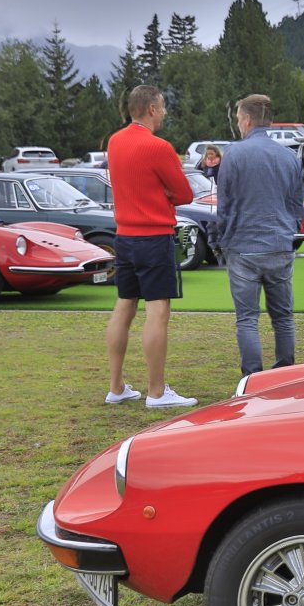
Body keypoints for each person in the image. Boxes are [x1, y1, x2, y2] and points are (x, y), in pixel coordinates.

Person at [104, 85, 198, 409]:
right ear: (152, 109)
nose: (165, 112)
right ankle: (156, 392)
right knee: (158, 312)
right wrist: (163, 195)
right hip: (154, 238)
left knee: (124, 306)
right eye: (163, 106)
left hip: (124, 237)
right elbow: (184, 193)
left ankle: (116, 387)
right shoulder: (158, 147)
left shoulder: (114, 142)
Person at [212, 94, 304, 379]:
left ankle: (252, 377)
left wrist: (221, 241)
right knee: (283, 317)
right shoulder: (288, 156)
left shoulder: (234, 154)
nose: (238, 124)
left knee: (247, 319)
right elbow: (297, 205)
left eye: (239, 118)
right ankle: (285, 374)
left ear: (248, 120)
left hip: (242, 246)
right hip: (278, 243)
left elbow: (224, 204)